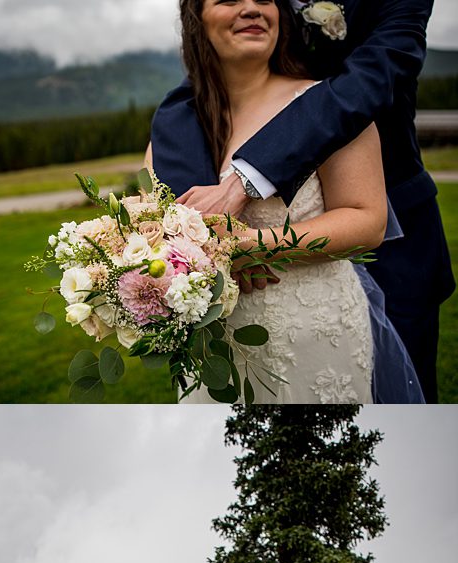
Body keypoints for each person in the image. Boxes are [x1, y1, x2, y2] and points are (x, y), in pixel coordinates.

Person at [152, 0, 449, 401]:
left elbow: (368, 81)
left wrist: (247, 215)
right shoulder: (184, 121)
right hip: (231, 325)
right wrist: (200, 244)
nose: (252, 8)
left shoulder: (317, 90)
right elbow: (208, 79)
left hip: (384, 252)